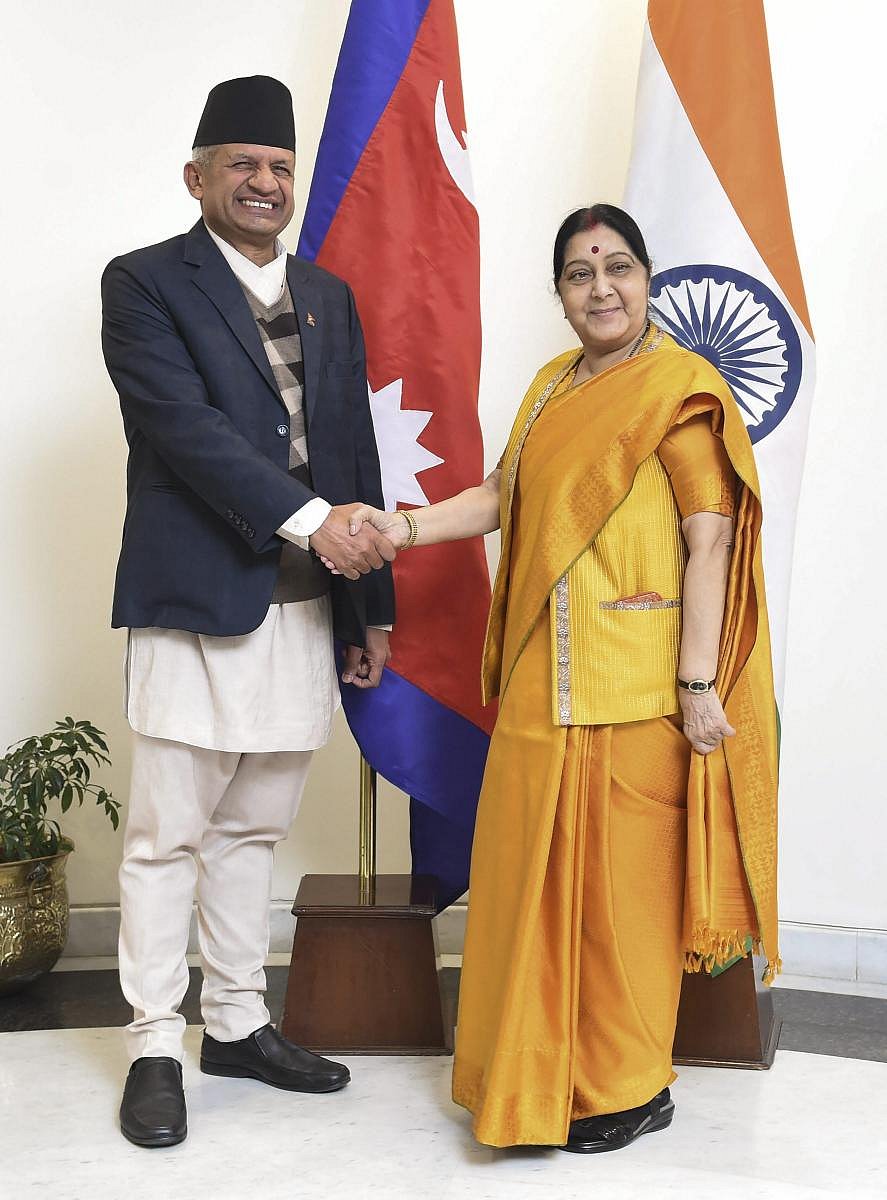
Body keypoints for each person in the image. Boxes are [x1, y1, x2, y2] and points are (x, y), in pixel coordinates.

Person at [342, 204, 780, 1152]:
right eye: (579, 275)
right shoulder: (550, 386)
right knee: (526, 886)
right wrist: (399, 526)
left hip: (638, 690)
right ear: (560, 294)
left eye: (617, 267)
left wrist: (698, 683)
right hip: (543, 683)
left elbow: (710, 541)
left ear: (647, 278)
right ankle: (531, 1080)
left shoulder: (678, 386)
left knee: (619, 902)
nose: (600, 288)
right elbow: (502, 496)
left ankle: (628, 1086)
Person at [101, 75, 397, 1149]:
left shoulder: (327, 292)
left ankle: (233, 1022)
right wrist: (315, 518)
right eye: (242, 166)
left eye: (278, 169)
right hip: (196, 600)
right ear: (198, 176)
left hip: (308, 610)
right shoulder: (142, 284)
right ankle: (151, 1041)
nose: (264, 184)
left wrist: (370, 606)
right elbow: (183, 430)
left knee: (252, 831)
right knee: (166, 836)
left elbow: (353, 454)